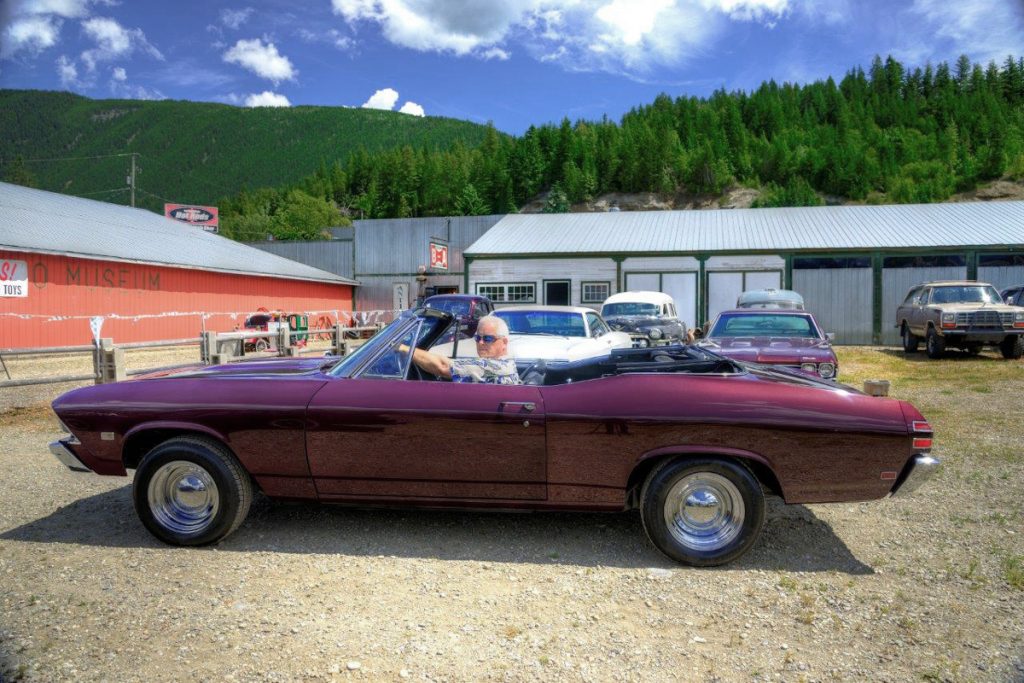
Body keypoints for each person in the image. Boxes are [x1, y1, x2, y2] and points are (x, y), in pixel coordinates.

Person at [409, 314, 521, 384]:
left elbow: (443, 367)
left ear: (504, 343)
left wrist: (404, 349)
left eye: (487, 338)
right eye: (478, 338)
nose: (480, 343)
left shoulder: (495, 368)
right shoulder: (505, 362)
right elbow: (448, 362)